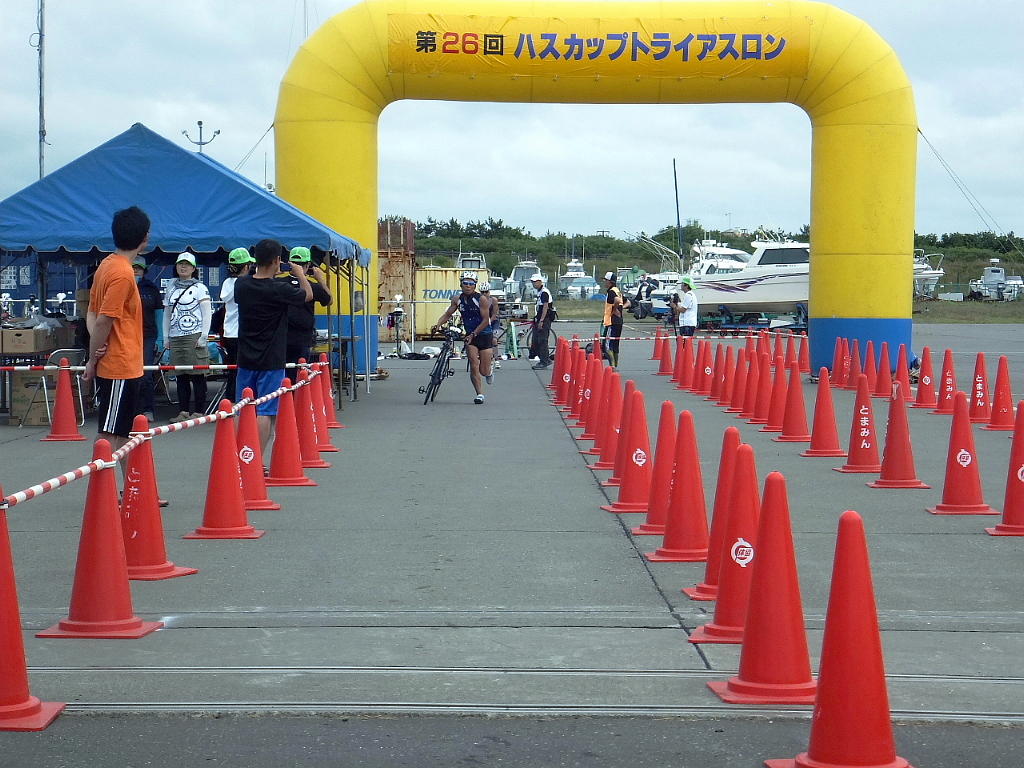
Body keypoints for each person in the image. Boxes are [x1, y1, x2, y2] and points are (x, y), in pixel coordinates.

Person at [233, 238, 312, 458]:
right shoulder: (279, 288)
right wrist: (300, 274)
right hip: (271, 358)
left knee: (242, 407)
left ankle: (238, 456)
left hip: (245, 356)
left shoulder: (241, 285)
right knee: (266, 410)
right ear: (277, 260)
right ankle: (254, 459)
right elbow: (308, 295)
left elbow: (251, 279)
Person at [83, 205, 148, 463]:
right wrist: (92, 358)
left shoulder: (106, 265)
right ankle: (101, 486)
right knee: (109, 434)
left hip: (123, 363)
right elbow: (103, 320)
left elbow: (92, 314)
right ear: (144, 238)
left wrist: (96, 348)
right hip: (120, 363)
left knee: (124, 433)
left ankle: (131, 484)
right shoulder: (123, 273)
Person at [163, 253, 212, 421]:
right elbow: (167, 314)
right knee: (181, 376)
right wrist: (166, 336)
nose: (183, 267)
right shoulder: (171, 287)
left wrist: (204, 335)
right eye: (180, 264)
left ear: (193, 268)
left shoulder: (200, 288)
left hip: (194, 335)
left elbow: (207, 313)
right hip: (175, 336)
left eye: (187, 264)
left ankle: (199, 411)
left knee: (198, 375)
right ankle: (183, 411)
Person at [432, 272, 493, 404]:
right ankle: (479, 394)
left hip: (484, 334)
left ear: (475, 285)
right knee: (473, 364)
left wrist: (474, 334)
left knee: (484, 371)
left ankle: (489, 371)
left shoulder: (481, 299)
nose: (468, 286)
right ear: (461, 284)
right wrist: (438, 325)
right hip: (470, 336)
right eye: (465, 283)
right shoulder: (457, 299)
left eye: (471, 283)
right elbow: (448, 314)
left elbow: (485, 320)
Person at [276, 246, 333, 365]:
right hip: (303, 338)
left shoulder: (278, 283)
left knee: (282, 370)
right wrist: (321, 280)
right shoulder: (313, 286)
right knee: (301, 371)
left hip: (280, 338)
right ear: (308, 265)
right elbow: (329, 300)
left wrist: (274, 274)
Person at [220, 247, 255, 403]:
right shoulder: (245, 283)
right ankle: (238, 401)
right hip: (242, 333)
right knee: (241, 370)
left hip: (231, 333)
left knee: (234, 370)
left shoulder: (228, 283)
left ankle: (233, 402)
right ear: (246, 267)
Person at [132, 256, 161, 422]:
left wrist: (161, 339)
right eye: (133, 267)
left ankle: (147, 409)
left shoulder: (151, 289)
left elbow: (159, 314)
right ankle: (131, 410)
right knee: (129, 374)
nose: (135, 270)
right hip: (127, 336)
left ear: (144, 270)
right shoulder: (122, 285)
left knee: (146, 374)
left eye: (139, 268)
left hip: (148, 335)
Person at [529, 273, 555, 369]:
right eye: (532, 282)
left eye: (535, 282)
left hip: (544, 319)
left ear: (540, 282)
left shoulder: (544, 292)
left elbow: (545, 307)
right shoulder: (540, 292)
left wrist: (541, 320)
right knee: (537, 340)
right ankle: (544, 359)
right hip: (539, 318)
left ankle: (544, 361)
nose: (533, 284)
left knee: (542, 340)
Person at [601, 271, 626, 368]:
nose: (604, 282)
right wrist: (621, 308)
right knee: (615, 345)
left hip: (611, 321)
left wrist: (614, 309)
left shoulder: (611, 292)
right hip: (619, 322)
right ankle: (615, 366)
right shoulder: (617, 291)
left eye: (606, 280)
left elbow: (617, 300)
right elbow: (627, 302)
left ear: (610, 282)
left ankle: (612, 366)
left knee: (607, 346)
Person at [479, 281, 503, 373]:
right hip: (482, 322)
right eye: (482, 292)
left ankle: (496, 359)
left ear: (489, 291)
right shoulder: (478, 300)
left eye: (486, 292)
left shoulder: (493, 300)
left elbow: (494, 314)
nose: (484, 294)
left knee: (494, 340)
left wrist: (488, 321)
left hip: (493, 322)